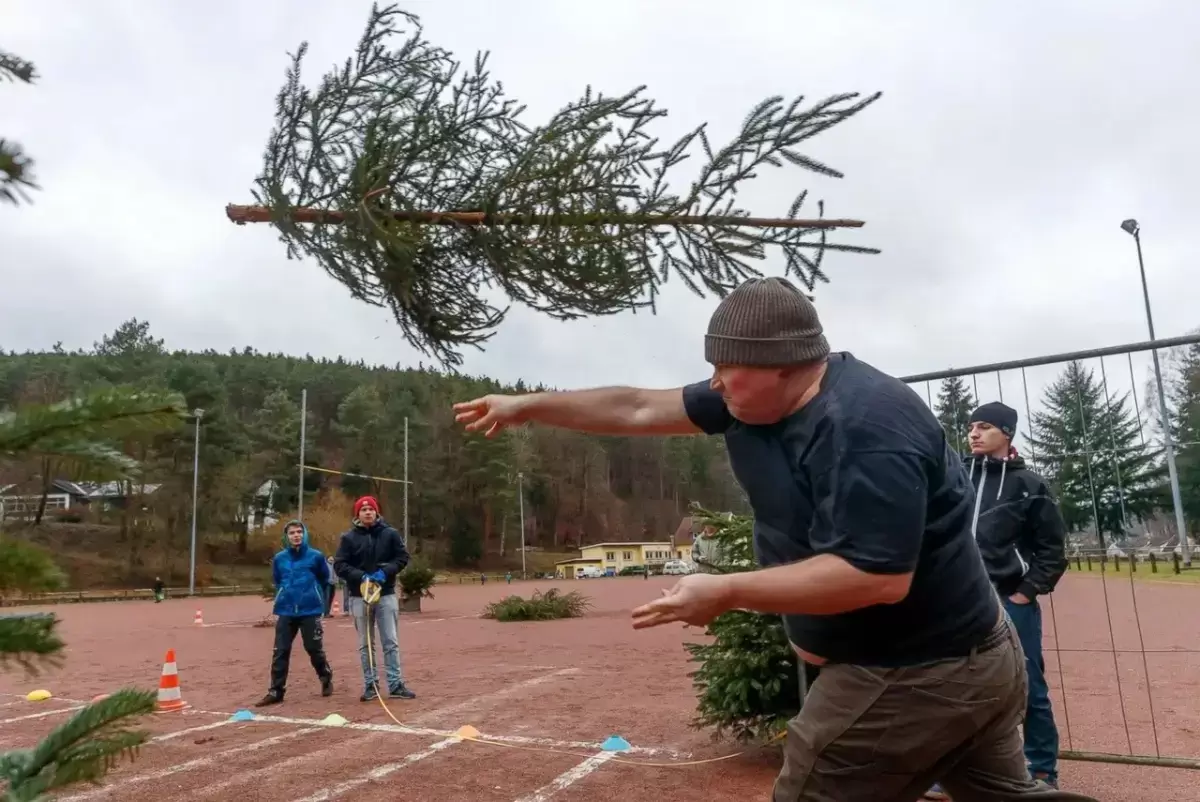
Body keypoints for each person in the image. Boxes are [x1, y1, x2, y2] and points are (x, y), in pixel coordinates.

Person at [453, 277, 1097, 802]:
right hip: (956, 660)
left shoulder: (864, 429)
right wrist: (527, 405)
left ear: (785, 366)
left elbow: (874, 576)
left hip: (916, 670)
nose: (713, 383)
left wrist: (728, 590)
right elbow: (637, 408)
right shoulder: (744, 398)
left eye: (727, 369)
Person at [334, 495, 417, 702]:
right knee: (365, 644)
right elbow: (340, 565)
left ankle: (396, 684)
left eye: (371, 509)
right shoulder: (348, 538)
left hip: (386, 594)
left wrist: (386, 571)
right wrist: (360, 576)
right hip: (359, 597)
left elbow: (402, 558)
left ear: (377, 512)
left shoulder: (390, 534)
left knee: (390, 641)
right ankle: (371, 685)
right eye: (363, 510)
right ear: (358, 514)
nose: (367, 512)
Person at [256, 520, 334, 706]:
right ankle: (276, 690)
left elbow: (325, 580)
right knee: (280, 650)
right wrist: (285, 594)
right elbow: (277, 580)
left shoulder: (316, 557)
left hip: (310, 610)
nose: (296, 535)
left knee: (313, 648)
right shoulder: (280, 559)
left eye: (299, 532)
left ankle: (325, 676)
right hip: (286, 610)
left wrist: (317, 599)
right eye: (292, 533)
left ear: (304, 534)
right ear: (287, 537)